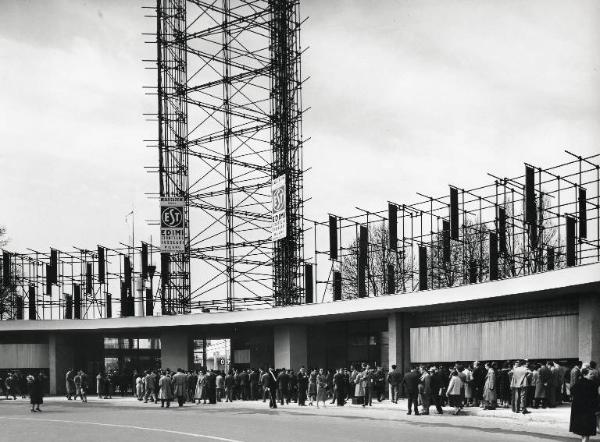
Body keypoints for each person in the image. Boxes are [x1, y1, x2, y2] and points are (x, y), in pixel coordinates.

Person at [569, 368, 600, 442]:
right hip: (588, 411)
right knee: (587, 432)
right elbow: (596, 398)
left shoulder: (578, 383)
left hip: (579, 411)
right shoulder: (593, 384)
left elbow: (572, 391)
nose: (593, 375)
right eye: (591, 374)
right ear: (584, 375)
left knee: (583, 432)